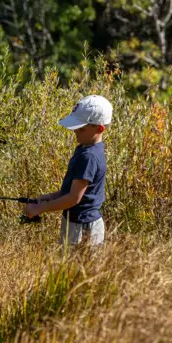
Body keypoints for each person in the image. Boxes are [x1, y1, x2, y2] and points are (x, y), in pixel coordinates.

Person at [22, 95, 111, 246]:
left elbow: (73, 199)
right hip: (75, 222)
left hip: (83, 227)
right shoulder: (84, 148)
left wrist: (39, 208)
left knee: (76, 269)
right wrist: (50, 197)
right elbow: (73, 191)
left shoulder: (88, 157)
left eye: (81, 128)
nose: (75, 131)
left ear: (99, 128)